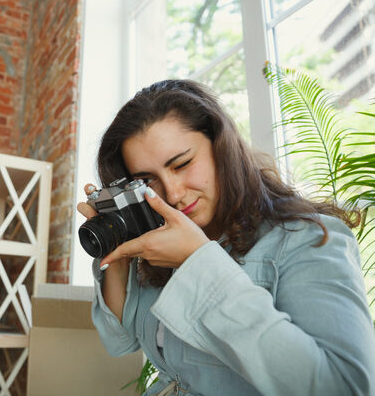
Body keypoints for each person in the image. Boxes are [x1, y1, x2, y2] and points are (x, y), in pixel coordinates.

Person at [77, 79, 375, 395]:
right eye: (148, 180)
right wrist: (118, 255)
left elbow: (346, 388)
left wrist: (198, 261)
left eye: (182, 163)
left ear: (221, 147)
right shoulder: (164, 244)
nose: (173, 194)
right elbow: (119, 341)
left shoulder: (306, 239)